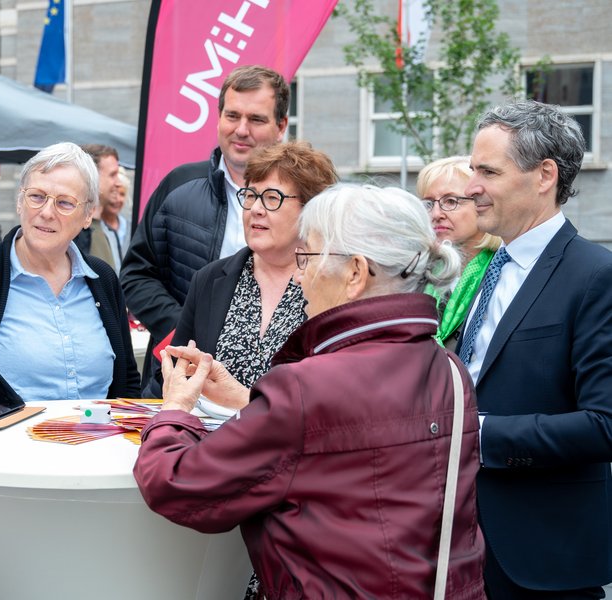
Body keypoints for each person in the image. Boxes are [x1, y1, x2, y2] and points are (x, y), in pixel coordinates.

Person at [134, 183, 486, 599]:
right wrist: (250, 401)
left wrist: (175, 409)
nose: (299, 274)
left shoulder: (307, 386)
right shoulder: (447, 368)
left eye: (308, 256)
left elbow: (178, 487)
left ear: (355, 272)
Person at [458, 100, 612, 598]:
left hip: (542, 557)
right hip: (457, 544)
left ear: (544, 175)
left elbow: (604, 423)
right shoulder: (479, 270)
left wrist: (479, 436)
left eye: (487, 171)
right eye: (471, 169)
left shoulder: (594, 276)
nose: (471, 187)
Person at [0, 142, 140, 405]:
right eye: (37, 196)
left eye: (65, 203)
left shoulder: (101, 279)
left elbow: (126, 382)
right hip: (3, 445)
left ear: (88, 214)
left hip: (99, 442)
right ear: (19, 202)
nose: (46, 212)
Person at [120, 64, 289, 383]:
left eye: (255, 119)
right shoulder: (179, 186)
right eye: (232, 115)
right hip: (183, 376)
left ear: (281, 125)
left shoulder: (304, 202)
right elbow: (136, 274)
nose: (241, 129)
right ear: (218, 117)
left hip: (271, 384)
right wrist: (180, 330)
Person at [144, 141, 337, 398]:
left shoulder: (332, 284)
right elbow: (171, 376)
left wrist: (243, 402)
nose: (256, 209)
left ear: (309, 210)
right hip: (210, 436)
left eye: (271, 198)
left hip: (296, 437)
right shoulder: (210, 279)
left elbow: (334, 399)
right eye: (250, 195)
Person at [417, 156, 501, 349]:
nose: (436, 214)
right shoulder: (416, 274)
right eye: (429, 203)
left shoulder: (503, 272)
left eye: (451, 201)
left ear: (482, 204)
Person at [73, 144, 119, 268]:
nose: (118, 183)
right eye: (112, 175)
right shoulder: (73, 232)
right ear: (93, 175)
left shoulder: (109, 231)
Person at [97, 166, 132, 273]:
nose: (117, 199)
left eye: (122, 194)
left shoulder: (131, 227)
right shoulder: (95, 228)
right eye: (113, 193)